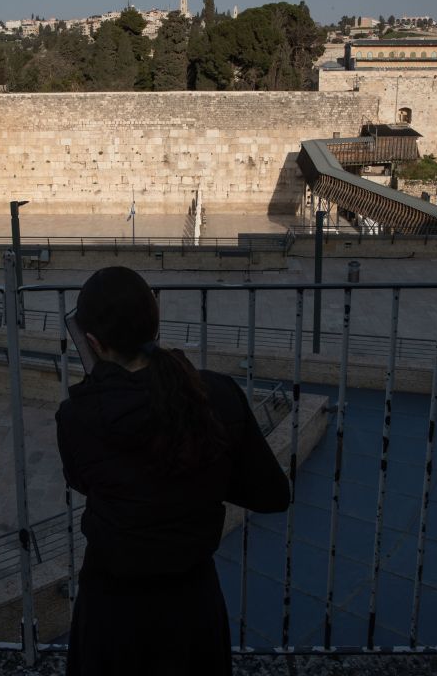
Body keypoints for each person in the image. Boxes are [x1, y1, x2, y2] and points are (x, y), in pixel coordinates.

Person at [56, 266, 290, 676]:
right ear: (155, 323)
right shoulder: (216, 394)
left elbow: (82, 480)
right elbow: (272, 494)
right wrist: (205, 471)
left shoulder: (78, 417)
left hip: (111, 614)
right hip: (191, 609)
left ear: (91, 343)